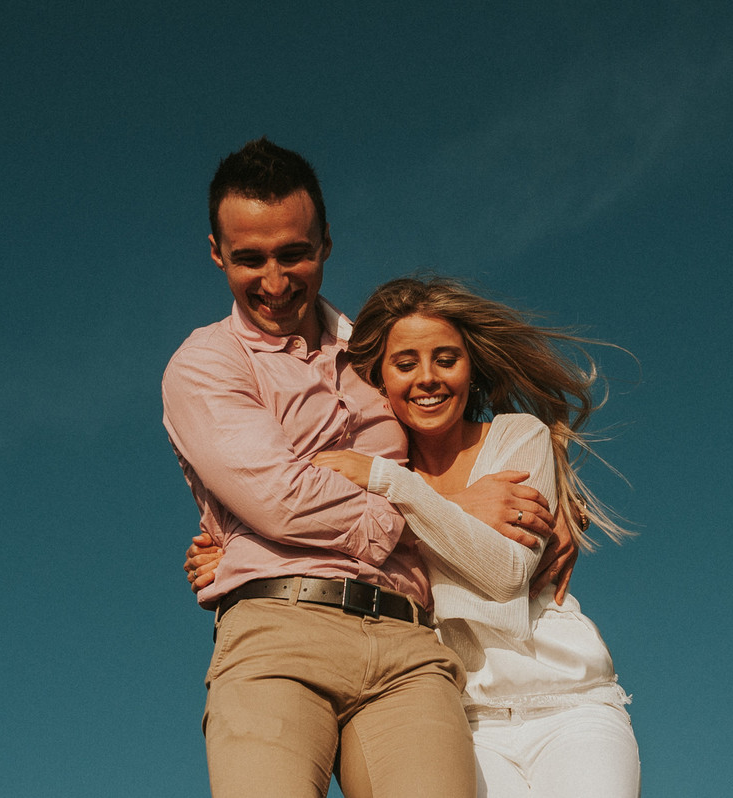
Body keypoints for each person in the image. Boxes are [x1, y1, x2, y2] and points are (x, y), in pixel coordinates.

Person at [162, 138, 566, 798]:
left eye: (294, 253)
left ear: (326, 243)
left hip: (409, 645)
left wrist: (556, 495)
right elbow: (284, 500)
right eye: (250, 259)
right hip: (278, 630)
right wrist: (447, 511)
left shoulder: (377, 358)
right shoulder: (206, 365)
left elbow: (459, 435)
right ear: (217, 253)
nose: (274, 281)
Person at [188, 276, 642, 797]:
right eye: (405, 364)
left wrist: (395, 485)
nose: (428, 379)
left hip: (569, 701)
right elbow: (299, 514)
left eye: (446, 359)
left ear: (470, 368)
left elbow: (506, 575)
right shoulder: (372, 470)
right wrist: (233, 549)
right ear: (379, 380)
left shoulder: (513, 437)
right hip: (464, 716)